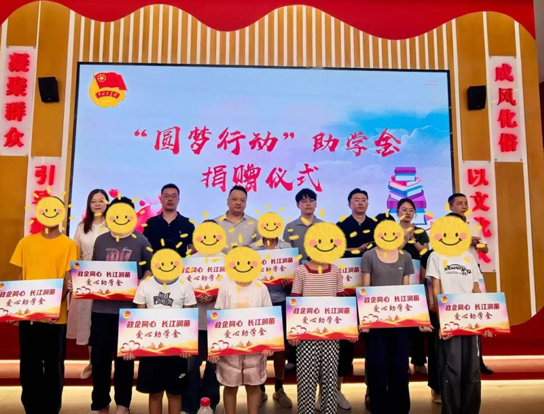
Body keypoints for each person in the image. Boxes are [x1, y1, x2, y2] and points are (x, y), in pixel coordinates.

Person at [10, 196, 79, 414]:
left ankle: (51, 409)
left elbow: (68, 281)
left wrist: (52, 308)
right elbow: (20, 277)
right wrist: (14, 309)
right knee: (28, 365)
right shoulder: (26, 243)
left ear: (62, 214)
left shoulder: (70, 245)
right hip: (29, 317)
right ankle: (31, 408)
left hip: (55, 319)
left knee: (53, 365)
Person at [360, 215, 431, 414]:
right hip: (375, 322)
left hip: (400, 322)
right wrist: (365, 320)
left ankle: (400, 408)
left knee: (399, 366)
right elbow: (366, 289)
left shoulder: (405, 256)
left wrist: (418, 319)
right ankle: (378, 407)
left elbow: (406, 290)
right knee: (377, 366)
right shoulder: (369, 256)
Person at [89, 196, 153, 414]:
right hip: (100, 309)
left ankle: (123, 404)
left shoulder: (141, 240)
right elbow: (93, 271)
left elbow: (150, 268)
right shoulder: (101, 240)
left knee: (125, 360)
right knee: (99, 360)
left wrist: (144, 279)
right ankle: (100, 403)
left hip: (129, 311)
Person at [426, 213, 489, 414]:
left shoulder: (468, 256)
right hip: (449, 318)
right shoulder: (436, 256)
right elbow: (436, 288)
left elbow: (476, 288)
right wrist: (442, 320)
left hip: (470, 318)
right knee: (451, 366)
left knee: (471, 367)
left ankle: (470, 409)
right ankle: (451, 410)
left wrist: (485, 319)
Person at [131, 241, 197, 414]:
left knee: (175, 393)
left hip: (176, 348)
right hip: (152, 348)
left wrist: (187, 346)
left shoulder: (184, 284)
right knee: (155, 393)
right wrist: (135, 346)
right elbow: (139, 318)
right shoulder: (145, 284)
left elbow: (189, 317)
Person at [290, 224, 348, 414]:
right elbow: (295, 303)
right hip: (306, 335)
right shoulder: (301, 271)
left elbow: (341, 302)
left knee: (330, 379)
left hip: (331, 335)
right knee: (306, 378)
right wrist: (294, 332)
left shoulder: (336, 270)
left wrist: (348, 329)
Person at [208, 247, 273, 414]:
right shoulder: (226, 286)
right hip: (229, 345)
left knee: (253, 384)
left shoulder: (260, 287)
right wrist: (215, 348)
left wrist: (269, 344)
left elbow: (269, 317)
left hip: (255, 346)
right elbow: (218, 317)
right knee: (230, 385)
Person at [335, 188, 377, 409]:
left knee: (373, 343)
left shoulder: (377, 226)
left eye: (363, 200)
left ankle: (372, 390)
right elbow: (333, 252)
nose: (360, 203)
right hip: (346, 293)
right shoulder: (340, 226)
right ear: (349, 203)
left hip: (372, 293)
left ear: (368, 203)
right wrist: (354, 250)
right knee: (344, 341)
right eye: (356, 200)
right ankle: (337, 390)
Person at [448, 193, 493, 375]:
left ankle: (478, 360)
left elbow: (485, 248)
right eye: (459, 203)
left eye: (465, 203)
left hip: (474, 271)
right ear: (451, 207)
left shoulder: (473, 223)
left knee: (476, 313)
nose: (463, 206)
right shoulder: (447, 224)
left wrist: (477, 244)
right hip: (454, 273)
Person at [67, 189, 110, 380]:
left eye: (101, 200)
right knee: (89, 321)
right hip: (86, 279)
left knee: (105, 322)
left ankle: (105, 362)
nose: (98, 204)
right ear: (89, 204)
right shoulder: (81, 227)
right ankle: (92, 362)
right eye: (93, 201)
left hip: (108, 280)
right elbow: (74, 253)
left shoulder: (113, 225)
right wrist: (72, 278)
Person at [182, 220, 222, 414]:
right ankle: (189, 404)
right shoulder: (188, 261)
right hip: (193, 321)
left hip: (218, 322)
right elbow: (180, 289)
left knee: (214, 366)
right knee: (191, 366)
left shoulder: (226, 261)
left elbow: (233, 289)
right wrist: (194, 296)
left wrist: (215, 295)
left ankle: (210, 403)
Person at [250, 234, 293, 408]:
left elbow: (295, 278)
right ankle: (260, 389)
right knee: (260, 348)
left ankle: (279, 388)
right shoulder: (253, 248)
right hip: (258, 305)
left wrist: (289, 282)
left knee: (280, 349)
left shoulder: (287, 248)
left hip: (281, 301)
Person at [397, 198, 430, 375]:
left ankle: (418, 360)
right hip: (396, 280)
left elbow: (425, 253)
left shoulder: (421, 232)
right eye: (404, 209)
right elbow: (391, 251)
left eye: (411, 210)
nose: (407, 213)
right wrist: (404, 239)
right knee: (400, 323)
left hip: (417, 280)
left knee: (417, 322)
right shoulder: (391, 230)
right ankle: (401, 361)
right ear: (397, 212)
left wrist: (414, 240)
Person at [143, 183, 195, 256]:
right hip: (156, 262)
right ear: (161, 199)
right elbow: (145, 248)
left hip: (180, 262)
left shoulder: (188, 224)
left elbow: (193, 250)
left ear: (178, 200)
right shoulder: (151, 223)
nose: (170, 199)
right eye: (166, 196)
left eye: (173, 196)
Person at [420, 248, 441, 405]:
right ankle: (437, 387)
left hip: (460, 310)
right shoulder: (429, 255)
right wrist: (429, 304)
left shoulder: (466, 256)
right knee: (435, 350)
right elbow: (423, 282)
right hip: (435, 309)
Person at [215, 185, 259, 252]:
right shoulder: (215, 224)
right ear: (227, 201)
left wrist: (250, 248)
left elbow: (262, 245)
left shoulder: (255, 224)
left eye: (242, 200)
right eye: (234, 199)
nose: (238, 203)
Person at [283, 188, 322, 261]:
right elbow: (286, 252)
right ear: (298, 205)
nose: (308, 204)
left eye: (311, 201)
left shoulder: (324, 226)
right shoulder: (290, 227)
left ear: (316, 204)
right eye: (304, 201)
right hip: (296, 266)